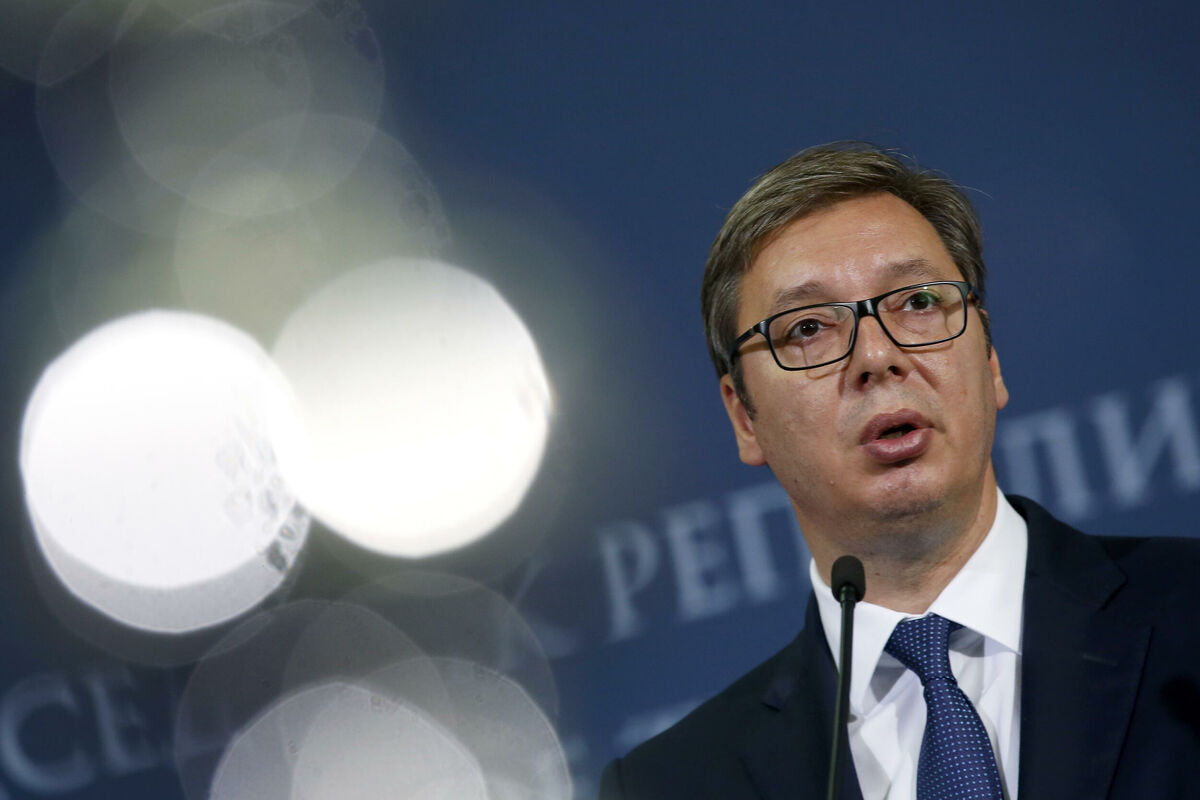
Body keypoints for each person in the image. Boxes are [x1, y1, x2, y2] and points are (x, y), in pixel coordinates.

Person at [598, 143, 1200, 799]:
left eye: (917, 301)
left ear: (991, 360)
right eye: (808, 329)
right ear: (745, 417)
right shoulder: (671, 786)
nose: (876, 357)